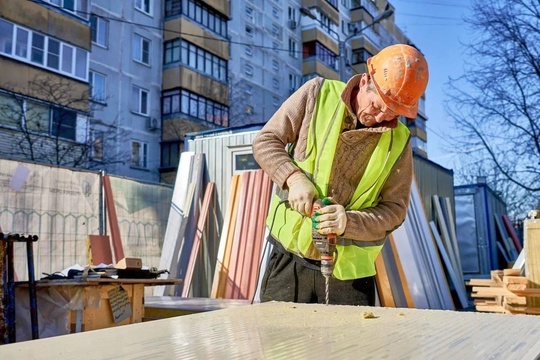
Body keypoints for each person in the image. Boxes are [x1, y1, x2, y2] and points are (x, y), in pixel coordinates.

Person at [252, 44, 429, 306]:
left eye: (392, 112)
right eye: (377, 105)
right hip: (289, 259)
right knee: (278, 345)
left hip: (350, 276)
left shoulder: (399, 142)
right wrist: (293, 177)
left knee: (350, 348)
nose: (380, 116)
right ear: (366, 80)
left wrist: (349, 222)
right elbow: (266, 141)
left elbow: (394, 211)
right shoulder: (318, 94)